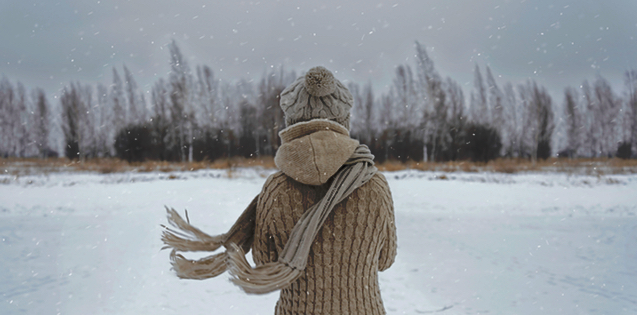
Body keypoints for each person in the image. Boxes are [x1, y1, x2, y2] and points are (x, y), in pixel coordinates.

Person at [162, 66, 397, 315]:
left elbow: (266, 262)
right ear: (344, 121)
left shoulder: (277, 189)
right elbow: (385, 259)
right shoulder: (374, 183)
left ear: (291, 122)